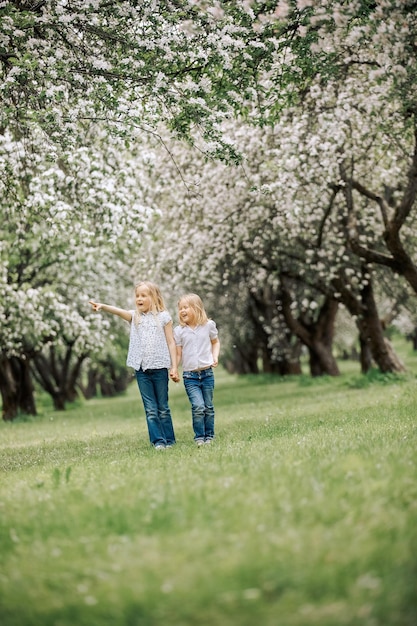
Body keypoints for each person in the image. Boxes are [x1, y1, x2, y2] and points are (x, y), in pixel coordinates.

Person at [89, 281, 179, 450]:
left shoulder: (164, 317)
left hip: (160, 368)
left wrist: (174, 367)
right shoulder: (135, 317)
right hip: (141, 370)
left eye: (144, 295)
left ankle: (170, 441)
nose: (139, 298)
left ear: (154, 298)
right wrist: (102, 306)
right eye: (137, 295)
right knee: (151, 409)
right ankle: (158, 442)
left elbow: (171, 342)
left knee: (163, 407)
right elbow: (118, 311)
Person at [174, 293, 220, 447]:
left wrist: (215, 356)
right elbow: (178, 353)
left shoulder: (208, 326)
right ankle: (199, 437)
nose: (182, 311)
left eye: (186, 307)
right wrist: (174, 368)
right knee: (198, 406)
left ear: (196, 308)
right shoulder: (179, 331)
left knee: (208, 407)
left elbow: (215, 342)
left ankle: (209, 436)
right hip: (190, 376)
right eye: (180, 308)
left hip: (207, 374)